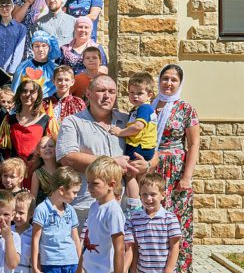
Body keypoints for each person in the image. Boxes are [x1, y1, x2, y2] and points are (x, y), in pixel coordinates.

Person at [56, 75, 146, 230]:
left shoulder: (129, 121)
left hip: (124, 207)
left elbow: (153, 150)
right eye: (101, 90)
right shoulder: (73, 122)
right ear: (88, 94)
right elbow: (67, 158)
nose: (107, 96)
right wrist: (112, 162)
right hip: (87, 206)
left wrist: (147, 164)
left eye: (111, 91)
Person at [150, 64, 200, 273]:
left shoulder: (186, 109)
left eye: (173, 80)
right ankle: (150, 270)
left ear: (180, 83)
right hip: (152, 170)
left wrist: (187, 177)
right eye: (165, 78)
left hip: (175, 172)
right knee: (151, 218)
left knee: (176, 221)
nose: (168, 83)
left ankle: (177, 272)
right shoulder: (148, 106)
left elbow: (194, 144)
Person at [102, 72, 158, 208]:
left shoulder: (144, 108)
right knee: (139, 175)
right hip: (143, 147)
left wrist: (120, 132)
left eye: (139, 93)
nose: (135, 96)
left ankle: (134, 203)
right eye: (132, 92)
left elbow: (138, 126)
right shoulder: (137, 109)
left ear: (150, 95)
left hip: (139, 146)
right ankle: (141, 200)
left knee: (130, 174)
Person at [0, 78, 53, 162]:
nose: (27, 94)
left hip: (36, 168)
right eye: (24, 91)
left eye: (32, 92)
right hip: (14, 168)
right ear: (19, 93)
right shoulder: (9, 119)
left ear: (38, 95)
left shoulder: (46, 121)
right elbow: (4, 149)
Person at [11, 31, 60, 99]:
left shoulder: (55, 69)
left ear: (49, 48)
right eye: (37, 46)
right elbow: (15, 89)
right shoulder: (23, 67)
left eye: (44, 46)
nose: (40, 49)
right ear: (32, 48)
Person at [0, 0, 27, 75]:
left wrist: (12, 70)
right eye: (1, 6)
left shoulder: (21, 28)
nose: (4, 9)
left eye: (7, 5)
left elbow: (19, 50)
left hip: (13, 72)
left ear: (12, 7)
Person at [28, 135, 59, 202]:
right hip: (45, 207)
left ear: (56, 149)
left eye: (51, 146)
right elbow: (33, 199)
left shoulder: (63, 168)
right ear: (39, 153)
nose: (47, 148)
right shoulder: (37, 173)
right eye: (43, 147)